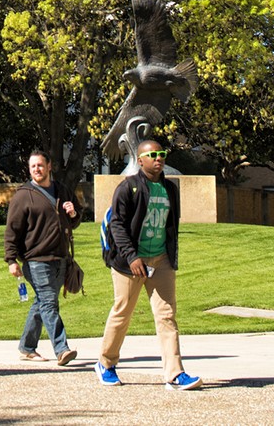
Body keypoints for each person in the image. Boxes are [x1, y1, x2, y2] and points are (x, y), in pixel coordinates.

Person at [96, 139, 202, 391]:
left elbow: (170, 226)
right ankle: (105, 363)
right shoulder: (128, 187)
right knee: (123, 311)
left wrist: (169, 256)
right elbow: (117, 226)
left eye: (161, 154)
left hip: (160, 260)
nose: (158, 158)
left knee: (167, 315)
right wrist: (132, 257)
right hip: (130, 262)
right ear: (140, 160)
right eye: (152, 155)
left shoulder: (170, 189)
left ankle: (175, 374)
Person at [3, 150, 82, 365]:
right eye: (33, 167)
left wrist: (73, 213)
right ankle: (62, 348)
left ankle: (27, 347)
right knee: (49, 303)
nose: (36, 169)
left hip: (61, 258)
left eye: (40, 165)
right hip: (36, 259)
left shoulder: (62, 191)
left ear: (49, 167)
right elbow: (12, 230)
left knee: (42, 303)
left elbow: (75, 221)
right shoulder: (23, 195)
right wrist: (11, 260)